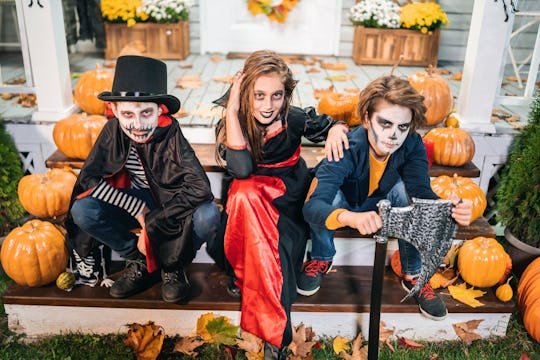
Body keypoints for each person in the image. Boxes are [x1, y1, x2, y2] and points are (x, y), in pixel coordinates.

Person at [206, 50, 349, 358]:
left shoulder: (293, 119)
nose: (267, 105)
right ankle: (257, 302)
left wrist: (337, 127)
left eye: (276, 96)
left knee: (278, 253)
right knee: (246, 194)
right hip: (247, 210)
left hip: (286, 204)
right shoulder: (233, 123)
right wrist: (232, 112)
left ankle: (274, 338)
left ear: (287, 96)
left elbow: (327, 124)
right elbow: (241, 169)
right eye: (258, 95)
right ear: (244, 94)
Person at [298, 75, 473, 321]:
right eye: (385, 123)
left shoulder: (412, 144)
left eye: (402, 126)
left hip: (383, 202)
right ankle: (321, 257)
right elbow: (312, 207)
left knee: (406, 193)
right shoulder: (345, 146)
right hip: (346, 202)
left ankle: (413, 273)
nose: (394, 135)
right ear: (367, 119)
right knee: (329, 199)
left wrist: (450, 209)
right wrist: (349, 217)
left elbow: (422, 192)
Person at [65, 55, 220, 303]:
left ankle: (172, 264)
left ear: (160, 109)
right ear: (114, 110)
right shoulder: (112, 131)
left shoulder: (169, 133)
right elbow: (90, 180)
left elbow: (200, 188)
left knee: (208, 215)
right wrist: (137, 208)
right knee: (83, 209)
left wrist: (152, 225)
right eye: (127, 113)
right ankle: (139, 261)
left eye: (146, 112)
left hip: (171, 202)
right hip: (137, 199)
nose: (137, 124)